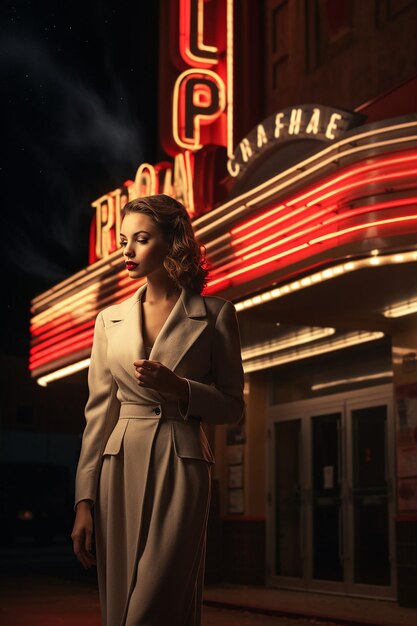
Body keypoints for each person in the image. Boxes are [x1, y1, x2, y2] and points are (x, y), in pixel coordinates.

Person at [71, 194, 245, 626]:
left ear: (173, 241)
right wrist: (84, 501)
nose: (127, 251)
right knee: (121, 601)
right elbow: (98, 416)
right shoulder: (108, 321)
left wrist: (180, 388)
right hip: (118, 465)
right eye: (123, 240)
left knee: (154, 604)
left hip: (182, 460)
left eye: (141, 239)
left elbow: (232, 406)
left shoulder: (216, 315)